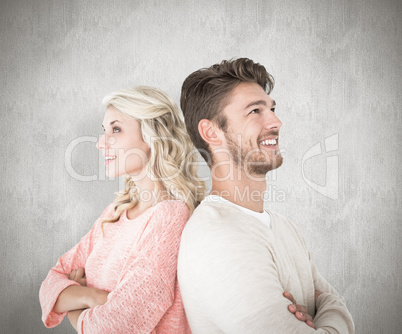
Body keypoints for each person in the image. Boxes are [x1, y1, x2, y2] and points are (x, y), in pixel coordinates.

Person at [177, 58, 354, 333]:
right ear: (211, 132)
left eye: (272, 108)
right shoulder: (216, 236)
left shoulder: (284, 227)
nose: (276, 121)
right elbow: (332, 302)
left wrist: (328, 310)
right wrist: (332, 313)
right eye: (255, 111)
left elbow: (330, 298)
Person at [39, 86, 205, 333]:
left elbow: (116, 327)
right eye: (104, 130)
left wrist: (76, 306)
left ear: (152, 138)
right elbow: (51, 282)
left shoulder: (170, 216)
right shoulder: (115, 212)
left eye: (115, 129)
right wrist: (94, 297)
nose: (100, 143)